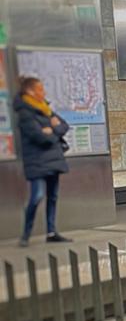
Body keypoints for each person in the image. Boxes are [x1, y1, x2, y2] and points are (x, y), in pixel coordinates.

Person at [13, 76, 72, 246]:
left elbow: (64, 125)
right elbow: (40, 138)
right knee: (37, 196)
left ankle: (51, 232)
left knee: (53, 196)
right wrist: (54, 130)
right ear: (30, 92)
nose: (43, 92)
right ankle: (26, 234)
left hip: (53, 159)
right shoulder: (25, 113)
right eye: (40, 89)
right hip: (37, 161)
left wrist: (51, 129)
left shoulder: (45, 108)